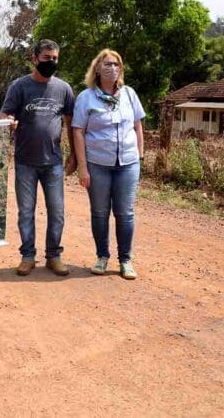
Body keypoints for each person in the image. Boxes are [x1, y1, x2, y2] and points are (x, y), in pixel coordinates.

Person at [0, 39, 76, 276]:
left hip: (53, 162)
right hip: (25, 162)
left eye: (54, 59)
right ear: (34, 59)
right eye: (46, 58)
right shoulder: (19, 86)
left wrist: (73, 154)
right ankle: (27, 256)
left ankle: (54, 256)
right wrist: (7, 120)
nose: (51, 63)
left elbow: (72, 123)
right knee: (26, 211)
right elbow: (4, 112)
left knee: (57, 211)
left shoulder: (64, 89)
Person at [71, 49, 145, 280]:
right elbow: (78, 132)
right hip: (98, 163)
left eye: (115, 65)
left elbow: (138, 126)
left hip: (127, 163)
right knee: (100, 212)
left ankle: (125, 260)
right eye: (106, 64)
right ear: (97, 69)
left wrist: (140, 156)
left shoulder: (129, 94)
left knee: (125, 213)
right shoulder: (86, 97)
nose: (111, 68)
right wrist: (82, 167)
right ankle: (102, 256)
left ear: (120, 69)